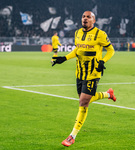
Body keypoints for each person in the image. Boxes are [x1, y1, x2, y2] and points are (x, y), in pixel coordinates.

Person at [52, 11, 116, 147]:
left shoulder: (101, 34)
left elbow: (111, 50)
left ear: (94, 20)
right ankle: (108, 94)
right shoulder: (77, 33)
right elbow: (77, 50)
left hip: (93, 74)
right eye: (83, 16)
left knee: (83, 102)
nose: (85, 19)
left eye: (88, 17)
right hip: (80, 73)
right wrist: (64, 58)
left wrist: (103, 61)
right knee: (84, 99)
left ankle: (72, 136)